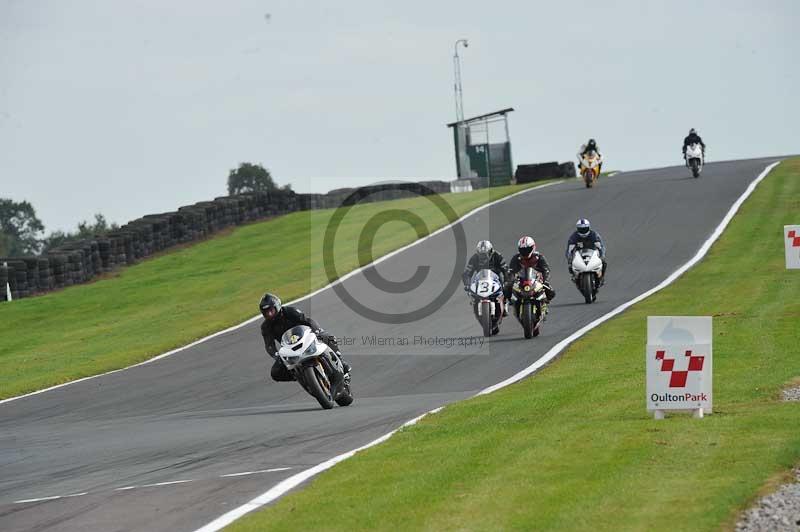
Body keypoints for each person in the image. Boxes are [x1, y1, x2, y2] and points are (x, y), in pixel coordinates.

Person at [259, 293, 350, 382]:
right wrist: (276, 355)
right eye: (266, 312)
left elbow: (308, 321)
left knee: (328, 337)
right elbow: (269, 345)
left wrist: (317, 331)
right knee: (275, 373)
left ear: (277, 307)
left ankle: (341, 362)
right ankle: (299, 376)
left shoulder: (290, 311)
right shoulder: (266, 327)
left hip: (307, 340)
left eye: (271, 310)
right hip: (290, 350)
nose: (270, 314)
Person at [463, 240, 508, 315]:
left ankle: (504, 302)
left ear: (490, 251)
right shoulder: (474, 258)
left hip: (496, 279)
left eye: (485, 254)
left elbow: (505, 269)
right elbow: (467, 273)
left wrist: (506, 281)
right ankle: (476, 304)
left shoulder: (497, 256)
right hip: (481, 280)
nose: (484, 257)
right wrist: (467, 284)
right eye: (481, 255)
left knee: (506, 287)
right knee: (472, 295)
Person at [507, 236, 556, 302]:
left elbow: (546, 270)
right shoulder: (516, 258)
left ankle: (544, 302)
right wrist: (511, 280)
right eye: (523, 250)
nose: (525, 252)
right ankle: (507, 304)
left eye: (527, 249)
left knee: (551, 292)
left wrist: (545, 280)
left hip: (536, 280)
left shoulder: (539, 257)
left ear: (533, 247)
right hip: (521, 281)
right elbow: (511, 271)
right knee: (506, 288)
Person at [566, 218, 607, 284]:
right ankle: (575, 276)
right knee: (570, 265)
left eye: (585, 229)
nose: (583, 231)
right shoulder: (574, 237)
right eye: (581, 229)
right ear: (577, 229)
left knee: (604, 263)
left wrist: (602, 256)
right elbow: (569, 249)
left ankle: (601, 277)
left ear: (589, 227)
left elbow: (601, 247)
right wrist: (569, 259)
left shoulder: (594, 235)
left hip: (592, 253)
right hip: (579, 254)